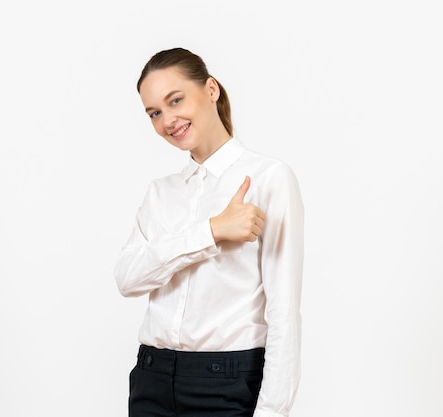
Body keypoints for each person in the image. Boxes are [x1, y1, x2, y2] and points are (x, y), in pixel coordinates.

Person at [114, 47, 304, 417]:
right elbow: (127, 279)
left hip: (226, 385)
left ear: (211, 89)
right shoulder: (161, 192)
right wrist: (212, 231)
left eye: (176, 100)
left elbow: (283, 313)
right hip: (151, 380)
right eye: (155, 112)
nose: (168, 119)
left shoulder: (269, 178)